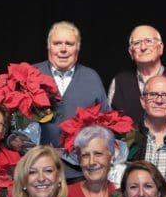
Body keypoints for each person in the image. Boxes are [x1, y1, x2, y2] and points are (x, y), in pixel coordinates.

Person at [30, 21, 108, 179]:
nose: (63, 49)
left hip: (80, 172)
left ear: (77, 48)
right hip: (37, 170)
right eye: (57, 43)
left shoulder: (91, 77)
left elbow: (106, 122)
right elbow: (14, 123)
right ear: (49, 47)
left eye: (69, 44)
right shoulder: (32, 74)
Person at [106, 25, 166, 127]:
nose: (143, 47)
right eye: (137, 43)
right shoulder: (120, 81)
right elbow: (109, 121)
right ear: (131, 53)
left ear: (160, 48)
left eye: (149, 41)